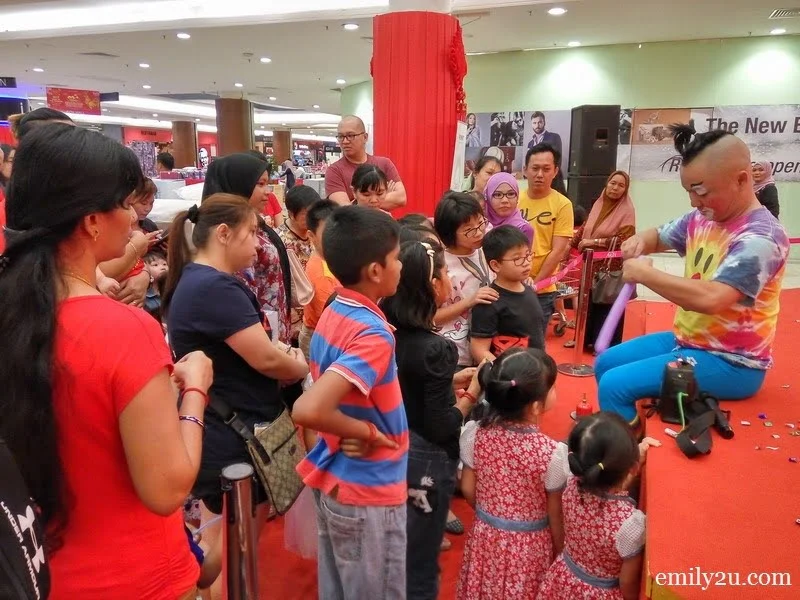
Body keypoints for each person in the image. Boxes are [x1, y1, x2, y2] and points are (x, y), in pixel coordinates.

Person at [0, 123, 212, 600]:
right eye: (124, 204)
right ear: (92, 220)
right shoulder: (122, 330)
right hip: (136, 578)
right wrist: (195, 389)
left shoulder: (15, 313)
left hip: (39, 574)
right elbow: (166, 488)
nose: (134, 219)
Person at [597, 125, 790, 429]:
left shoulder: (761, 237)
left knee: (614, 385)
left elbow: (713, 298)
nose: (693, 202)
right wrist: (638, 242)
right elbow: (657, 235)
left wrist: (647, 275)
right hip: (687, 342)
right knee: (606, 363)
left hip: (732, 362)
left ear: (742, 179)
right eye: (689, 191)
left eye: (700, 191)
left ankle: (624, 465)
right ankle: (626, 433)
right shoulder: (702, 218)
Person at [163, 194, 308, 598]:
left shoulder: (199, 281)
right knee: (232, 550)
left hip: (223, 427)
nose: (258, 246)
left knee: (220, 546)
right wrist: (299, 364)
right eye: (252, 234)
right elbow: (265, 358)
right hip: (235, 436)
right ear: (224, 234)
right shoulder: (214, 288)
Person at [292, 206, 408, 600]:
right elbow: (308, 409)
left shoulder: (335, 309)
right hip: (368, 488)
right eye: (397, 258)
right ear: (376, 271)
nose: (401, 266)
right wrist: (367, 431)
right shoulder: (374, 334)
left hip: (339, 477)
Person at [380, 240, 482, 599]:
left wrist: (447, 379)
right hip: (425, 457)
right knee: (420, 559)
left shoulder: (386, 332)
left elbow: (406, 382)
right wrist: (472, 393)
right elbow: (443, 423)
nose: (450, 282)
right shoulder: (435, 348)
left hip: (392, 447)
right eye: (443, 274)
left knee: (399, 544)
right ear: (431, 287)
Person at [457, 348, 566, 599]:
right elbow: (554, 514)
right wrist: (559, 550)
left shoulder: (475, 433)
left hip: (486, 537)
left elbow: (468, 489)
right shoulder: (552, 453)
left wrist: (492, 517)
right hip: (530, 548)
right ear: (537, 406)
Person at [538, 413, 660, 600]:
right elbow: (627, 582)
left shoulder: (571, 484)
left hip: (564, 578)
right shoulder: (630, 525)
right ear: (633, 469)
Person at [202, 153, 293, 345]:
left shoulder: (254, 224)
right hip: (254, 337)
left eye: (267, 183)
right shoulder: (229, 234)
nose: (267, 191)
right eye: (259, 184)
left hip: (272, 329)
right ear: (238, 185)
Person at [433, 192, 499, 368]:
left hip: (490, 344)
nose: (479, 232)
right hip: (455, 353)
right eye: (469, 230)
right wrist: (469, 301)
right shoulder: (440, 266)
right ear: (449, 234)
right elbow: (429, 317)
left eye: (481, 223)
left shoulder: (489, 251)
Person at [576, 171, 637, 351]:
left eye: (620, 185)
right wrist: (568, 246)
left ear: (625, 190)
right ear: (607, 183)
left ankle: (606, 344)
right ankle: (584, 340)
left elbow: (624, 240)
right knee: (588, 303)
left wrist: (593, 242)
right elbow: (587, 227)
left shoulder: (627, 211)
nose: (615, 188)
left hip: (611, 267)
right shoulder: (598, 203)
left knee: (607, 305)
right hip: (590, 265)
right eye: (612, 183)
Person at [519, 143, 574, 336]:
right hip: (510, 284)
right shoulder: (513, 200)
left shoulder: (563, 205)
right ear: (525, 170)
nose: (539, 174)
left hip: (541, 290)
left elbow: (558, 250)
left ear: (555, 171)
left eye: (546, 169)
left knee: (535, 344)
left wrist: (534, 282)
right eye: (535, 168)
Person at [471, 226, 545, 363]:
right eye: (517, 259)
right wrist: (504, 374)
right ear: (496, 265)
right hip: (510, 377)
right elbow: (479, 349)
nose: (526, 263)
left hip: (536, 373)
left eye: (528, 255)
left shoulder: (528, 289)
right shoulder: (489, 301)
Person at [325, 115, 406, 209]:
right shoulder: (334, 171)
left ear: (365, 137)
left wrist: (359, 201)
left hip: (383, 222)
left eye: (351, 136)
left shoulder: (384, 164)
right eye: (341, 136)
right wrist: (385, 196)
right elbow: (346, 210)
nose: (345, 141)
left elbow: (401, 198)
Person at [278, 185, 319, 342]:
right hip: (297, 317)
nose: (312, 219)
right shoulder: (282, 240)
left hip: (314, 309)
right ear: (291, 214)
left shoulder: (314, 232)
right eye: (306, 214)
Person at [299, 199, 339, 358]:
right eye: (328, 233)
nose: (335, 238)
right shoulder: (321, 273)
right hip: (319, 336)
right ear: (311, 236)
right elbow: (332, 319)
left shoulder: (330, 260)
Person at [484, 172, 534, 246]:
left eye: (511, 194)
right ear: (488, 197)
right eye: (498, 194)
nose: (505, 200)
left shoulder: (523, 229)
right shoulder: (479, 225)